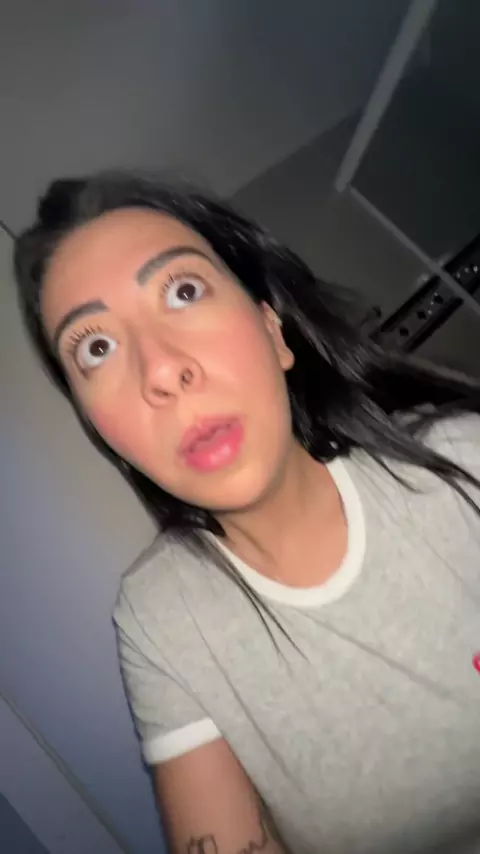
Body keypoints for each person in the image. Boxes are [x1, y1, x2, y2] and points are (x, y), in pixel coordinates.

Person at [14, 172, 480, 854]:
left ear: (274, 331)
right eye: (96, 348)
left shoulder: (463, 461)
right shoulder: (162, 619)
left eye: (182, 291)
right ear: (102, 432)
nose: (160, 371)